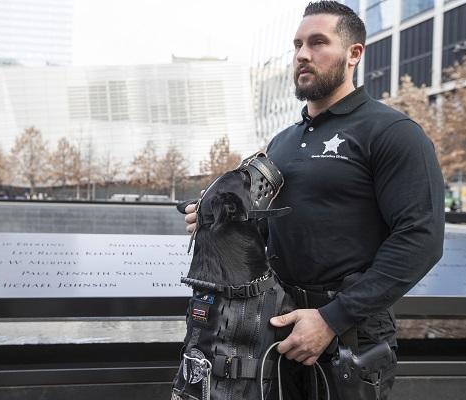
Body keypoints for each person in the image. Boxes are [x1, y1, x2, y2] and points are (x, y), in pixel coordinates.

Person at [185, 1, 444, 399]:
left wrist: (330, 319)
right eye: (297, 45)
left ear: (354, 53)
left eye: (318, 42)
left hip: (351, 333)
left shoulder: (393, 131)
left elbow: (421, 238)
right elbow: (270, 231)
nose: (303, 54)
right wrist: (220, 221)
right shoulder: (282, 143)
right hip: (276, 323)